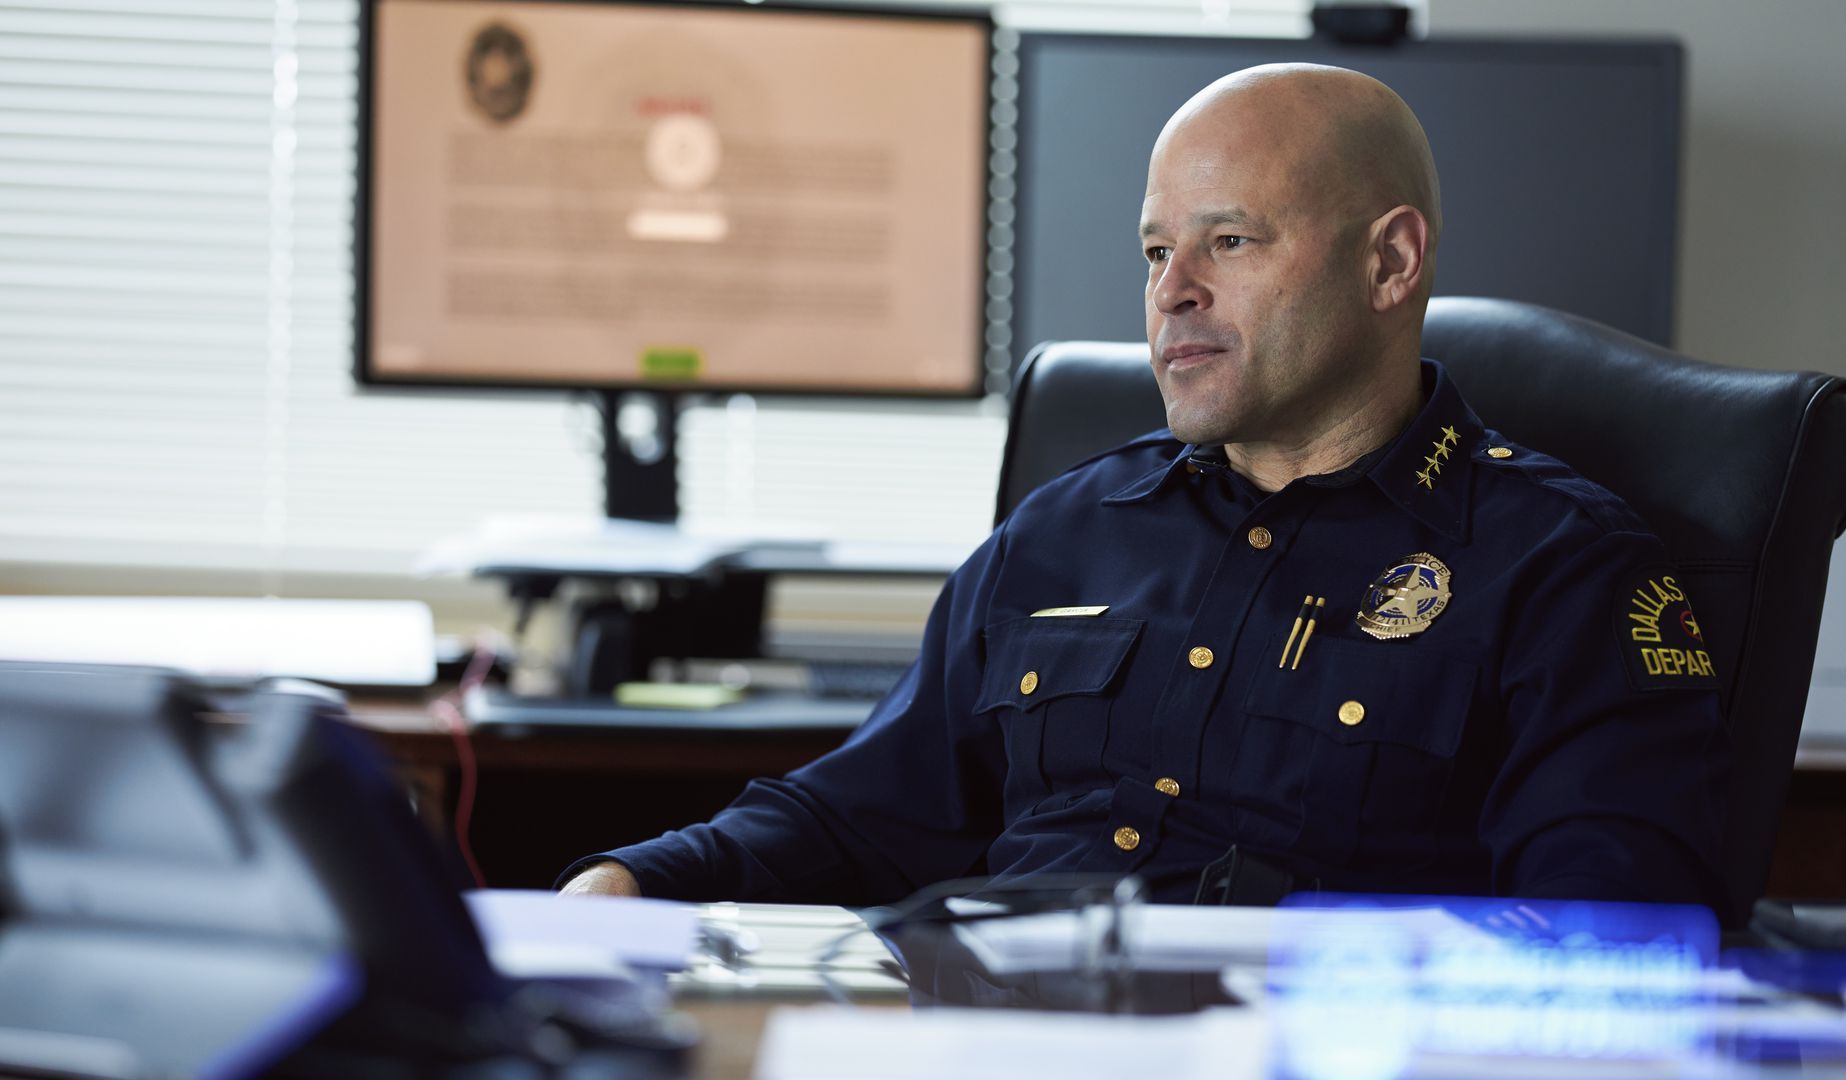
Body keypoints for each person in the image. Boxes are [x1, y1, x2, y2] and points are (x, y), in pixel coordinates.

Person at [559, 64, 1730, 912]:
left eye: (1230, 242)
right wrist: (636, 878)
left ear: (1391, 261)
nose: (1172, 292)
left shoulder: (1559, 569)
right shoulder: (1065, 531)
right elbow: (858, 812)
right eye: (1156, 251)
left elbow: (1611, 939)